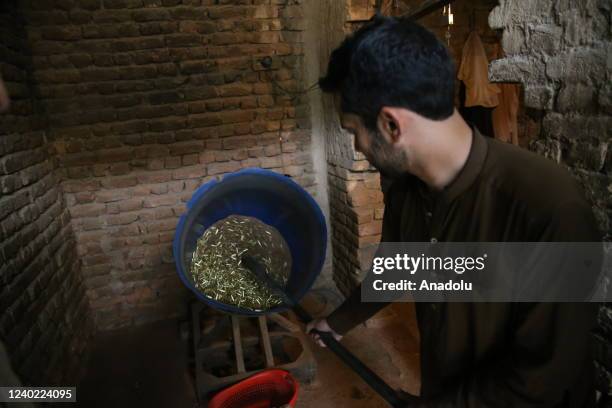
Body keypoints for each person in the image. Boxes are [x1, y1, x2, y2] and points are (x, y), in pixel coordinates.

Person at [306, 16, 601, 407]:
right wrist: (339, 322)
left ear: (391, 124)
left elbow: (541, 380)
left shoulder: (549, 207)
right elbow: (402, 268)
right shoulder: (406, 188)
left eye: (352, 131)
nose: (358, 146)